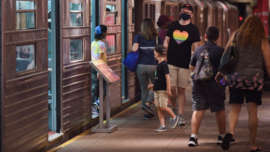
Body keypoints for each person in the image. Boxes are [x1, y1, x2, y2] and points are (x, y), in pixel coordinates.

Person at [219, 15, 270, 152]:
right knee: (252, 110)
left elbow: (226, 53)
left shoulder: (236, 35)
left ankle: (230, 133)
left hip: (236, 78)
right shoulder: (262, 40)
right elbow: (268, 62)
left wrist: (221, 72)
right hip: (254, 79)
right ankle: (252, 144)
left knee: (234, 108)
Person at [163, 4, 201, 126]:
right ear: (180, 12)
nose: (186, 13)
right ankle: (174, 107)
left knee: (181, 90)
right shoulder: (173, 26)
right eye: (184, 11)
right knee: (171, 88)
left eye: (188, 12)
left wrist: (196, 63)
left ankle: (180, 115)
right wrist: (164, 55)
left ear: (192, 15)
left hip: (185, 64)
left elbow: (196, 47)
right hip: (171, 62)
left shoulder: (194, 29)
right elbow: (167, 41)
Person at [188, 26, 226, 147]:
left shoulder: (198, 50)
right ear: (217, 37)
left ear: (205, 36)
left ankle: (193, 137)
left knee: (198, 110)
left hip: (199, 84)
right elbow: (225, 69)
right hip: (216, 84)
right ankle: (221, 136)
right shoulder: (221, 51)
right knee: (219, 110)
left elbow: (192, 67)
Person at [132, 18, 157, 119]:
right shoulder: (155, 36)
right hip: (153, 66)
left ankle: (146, 111)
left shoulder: (138, 36)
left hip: (141, 66)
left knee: (144, 89)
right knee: (156, 86)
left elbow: (134, 49)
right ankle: (148, 103)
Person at [150, 45, 179, 132]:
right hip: (156, 89)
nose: (154, 54)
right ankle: (162, 125)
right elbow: (158, 77)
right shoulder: (158, 63)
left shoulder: (164, 64)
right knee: (158, 107)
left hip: (162, 89)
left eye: (155, 52)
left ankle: (174, 117)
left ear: (158, 53)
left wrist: (168, 89)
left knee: (163, 106)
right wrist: (153, 85)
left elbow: (167, 77)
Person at [91, 25, 108, 117]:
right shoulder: (101, 44)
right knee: (104, 89)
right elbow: (101, 57)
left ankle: (94, 110)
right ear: (104, 33)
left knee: (95, 88)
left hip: (93, 67)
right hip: (100, 67)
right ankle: (97, 103)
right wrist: (100, 71)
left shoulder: (93, 43)